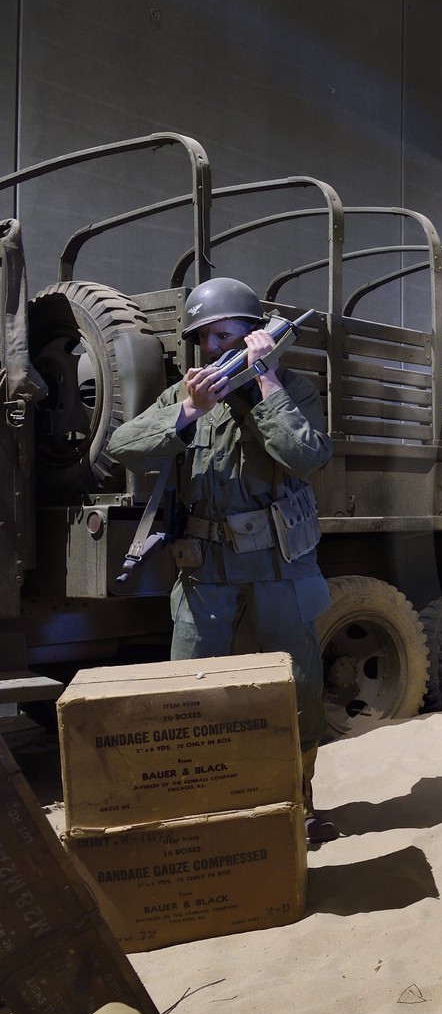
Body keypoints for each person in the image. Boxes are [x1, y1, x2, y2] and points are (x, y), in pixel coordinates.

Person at [107, 276, 338, 842]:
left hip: (277, 573)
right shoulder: (190, 397)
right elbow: (122, 447)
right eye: (205, 339)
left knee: (296, 692)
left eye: (226, 336)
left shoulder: (291, 388)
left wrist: (265, 382)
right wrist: (187, 412)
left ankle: (296, 805)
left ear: (256, 336)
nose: (214, 350)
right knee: (192, 691)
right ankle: (203, 807)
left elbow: (308, 455)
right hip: (204, 574)